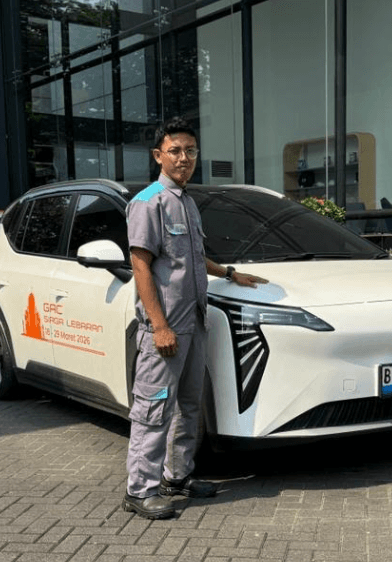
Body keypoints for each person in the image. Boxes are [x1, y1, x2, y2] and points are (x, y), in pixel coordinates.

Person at [124, 117, 268, 519]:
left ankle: (177, 478)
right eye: (175, 151)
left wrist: (229, 273)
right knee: (153, 409)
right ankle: (139, 490)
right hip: (166, 328)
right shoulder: (148, 202)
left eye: (190, 150)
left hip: (194, 323)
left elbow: (191, 257)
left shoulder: (186, 202)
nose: (183, 158)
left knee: (188, 406)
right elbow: (141, 265)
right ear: (158, 155)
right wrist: (159, 326)